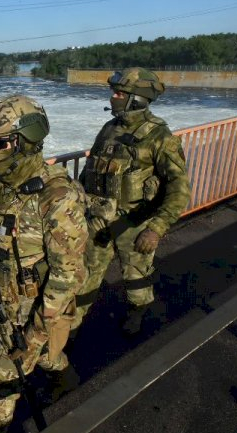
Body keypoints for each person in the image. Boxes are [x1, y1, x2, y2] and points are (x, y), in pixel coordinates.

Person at [0, 95, 88, 433]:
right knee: (42, 358)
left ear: (24, 140)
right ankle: (63, 375)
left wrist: (34, 335)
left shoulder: (56, 197)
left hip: (30, 316)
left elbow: (67, 274)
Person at [76, 67, 191, 335]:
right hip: (99, 220)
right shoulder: (109, 128)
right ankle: (72, 326)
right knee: (86, 275)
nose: (113, 98)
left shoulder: (159, 136)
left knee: (136, 276)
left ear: (137, 99)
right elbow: (90, 170)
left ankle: (138, 311)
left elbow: (179, 188)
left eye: (119, 93)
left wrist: (156, 228)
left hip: (135, 223)